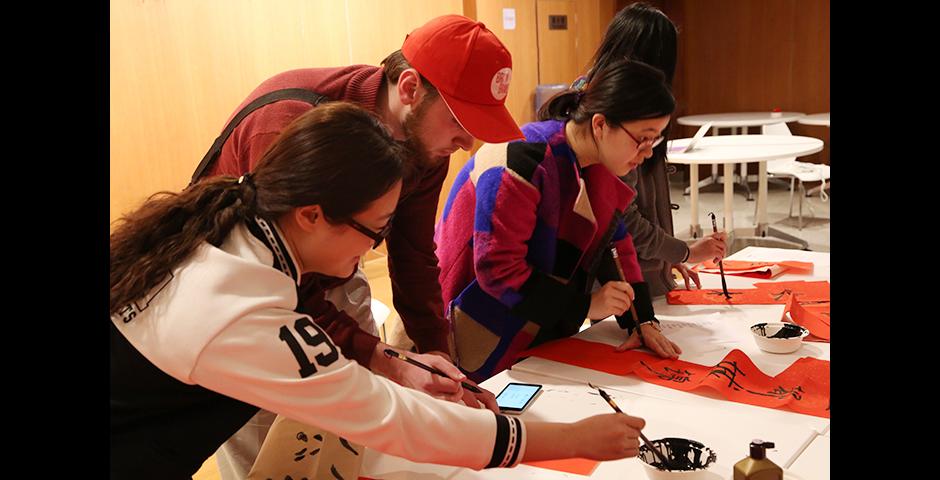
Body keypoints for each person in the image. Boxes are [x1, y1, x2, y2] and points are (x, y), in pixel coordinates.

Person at [111, 103, 648, 479]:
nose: (375, 248)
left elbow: (310, 310)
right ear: (312, 215)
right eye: (376, 229)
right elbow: (385, 416)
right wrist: (570, 439)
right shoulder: (238, 312)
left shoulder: (243, 231)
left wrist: (395, 360)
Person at [198, 14, 523, 476]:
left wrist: (440, 364)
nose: (467, 141)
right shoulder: (290, 126)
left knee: (349, 441)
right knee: (273, 449)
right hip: (239, 294)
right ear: (410, 88)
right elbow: (283, 286)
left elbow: (413, 255)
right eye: (457, 119)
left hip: (327, 270)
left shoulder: (424, 145)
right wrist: (380, 356)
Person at [435, 59, 683, 383]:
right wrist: (585, 306)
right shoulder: (523, 158)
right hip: (470, 322)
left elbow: (615, 241)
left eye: (656, 141)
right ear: (600, 125)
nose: (648, 153)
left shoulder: (594, 166)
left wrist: (641, 321)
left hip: (531, 317)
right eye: (643, 139)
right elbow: (498, 271)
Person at [543, 2, 726, 296]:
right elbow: (622, 218)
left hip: (637, 268)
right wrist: (684, 252)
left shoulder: (606, 99)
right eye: (645, 138)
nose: (648, 151)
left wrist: (671, 256)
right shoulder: (615, 113)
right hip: (622, 276)